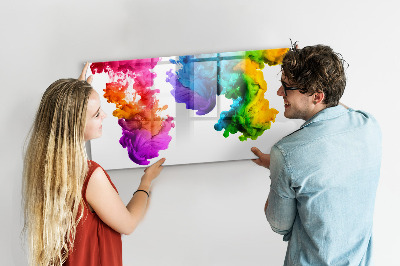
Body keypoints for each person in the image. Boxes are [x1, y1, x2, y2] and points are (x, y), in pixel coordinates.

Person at [22, 63, 166, 266]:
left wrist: (77, 95)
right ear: (76, 124)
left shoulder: (44, 166)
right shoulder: (90, 176)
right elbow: (128, 223)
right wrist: (146, 182)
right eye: (97, 114)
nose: (104, 116)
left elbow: (65, 118)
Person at [251, 44, 382, 265]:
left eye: (287, 86)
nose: (279, 92)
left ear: (317, 96)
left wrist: (279, 169)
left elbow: (279, 225)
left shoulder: (286, 153)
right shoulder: (369, 125)